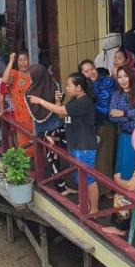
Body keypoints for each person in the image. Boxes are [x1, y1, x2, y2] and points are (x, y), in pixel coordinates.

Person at [29, 72, 99, 214]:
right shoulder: (75, 100)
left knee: (89, 179)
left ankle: (95, 210)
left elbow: (61, 110)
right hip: (76, 144)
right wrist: (58, 100)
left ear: (78, 87)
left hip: (84, 147)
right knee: (79, 177)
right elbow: (61, 114)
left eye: (69, 85)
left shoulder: (83, 102)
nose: (66, 88)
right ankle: (85, 204)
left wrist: (41, 101)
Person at [26, 63, 66, 191]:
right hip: (48, 129)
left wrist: (57, 101)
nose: (30, 78)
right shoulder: (52, 86)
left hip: (51, 129)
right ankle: (59, 186)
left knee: (54, 157)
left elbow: (59, 110)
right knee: (52, 157)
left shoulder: (32, 92)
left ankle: (59, 186)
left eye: (31, 75)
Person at [79, 59, 116, 184]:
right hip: (88, 128)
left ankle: (104, 188)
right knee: (91, 159)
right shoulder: (82, 87)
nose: (90, 72)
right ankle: (92, 188)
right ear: (82, 74)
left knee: (104, 158)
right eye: (86, 71)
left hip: (104, 125)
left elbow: (104, 106)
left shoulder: (106, 82)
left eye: (92, 69)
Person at [109, 66, 135, 182]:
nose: (122, 80)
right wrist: (131, 118)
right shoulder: (116, 95)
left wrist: (123, 113)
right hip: (125, 136)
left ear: (131, 76)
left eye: (125, 76)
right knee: (125, 166)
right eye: (119, 77)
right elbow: (111, 117)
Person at [3, 50, 33, 147]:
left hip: (34, 116)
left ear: (30, 61)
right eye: (20, 60)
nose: (23, 63)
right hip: (20, 117)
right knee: (24, 145)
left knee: (37, 145)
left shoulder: (35, 75)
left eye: (25, 60)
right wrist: (11, 61)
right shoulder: (14, 74)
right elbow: (5, 80)